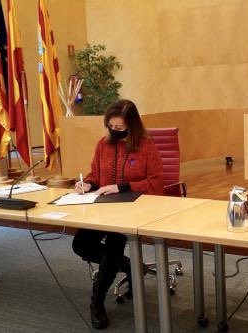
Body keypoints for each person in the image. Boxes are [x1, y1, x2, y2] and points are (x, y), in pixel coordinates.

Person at [72, 99, 164, 329]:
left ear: (131, 126)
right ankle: (130, 266)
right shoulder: (103, 144)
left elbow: (156, 183)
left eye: (119, 128)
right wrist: (88, 184)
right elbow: (95, 174)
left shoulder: (146, 146)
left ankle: (97, 300)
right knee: (80, 245)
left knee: (113, 245)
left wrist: (122, 187)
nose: (114, 132)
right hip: (103, 209)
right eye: (111, 127)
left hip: (135, 210)